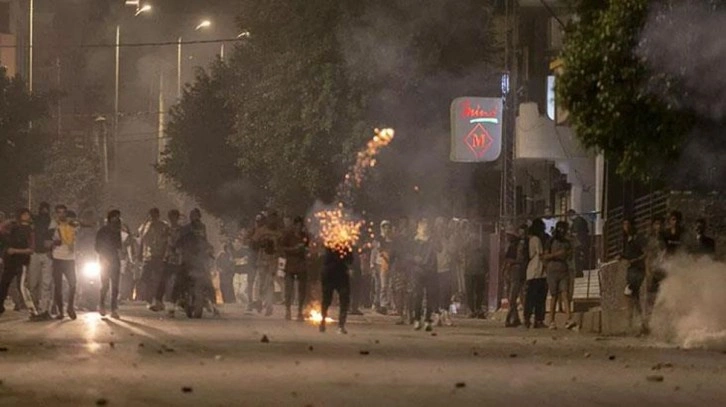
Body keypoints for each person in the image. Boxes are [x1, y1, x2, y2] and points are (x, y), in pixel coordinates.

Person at [0, 209, 34, 317]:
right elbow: (2, 230)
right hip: (10, 260)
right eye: (23, 214)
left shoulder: (31, 230)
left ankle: (32, 309)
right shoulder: (13, 228)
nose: (25, 216)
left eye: (27, 214)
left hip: (22, 261)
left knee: (22, 286)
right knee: (4, 284)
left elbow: (31, 249)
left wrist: (15, 251)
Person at [543, 221, 575, 330]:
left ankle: (569, 319)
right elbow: (545, 256)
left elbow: (569, 256)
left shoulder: (567, 242)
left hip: (563, 270)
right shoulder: (551, 241)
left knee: (565, 294)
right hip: (552, 270)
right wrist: (556, 255)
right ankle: (551, 320)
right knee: (554, 296)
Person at [250, 211, 282, 316]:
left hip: (273, 260)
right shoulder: (261, 231)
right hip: (262, 260)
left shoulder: (279, 233)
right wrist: (261, 244)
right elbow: (253, 244)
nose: (273, 221)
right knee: (262, 282)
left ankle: (269, 305)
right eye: (272, 219)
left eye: (275, 219)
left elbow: (282, 247)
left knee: (270, 282)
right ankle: (259, 301)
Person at [138, 208, 170, 311]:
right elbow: (141, 240)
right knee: (145, 278)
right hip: (147, 256)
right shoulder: (145, 226)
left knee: (161, 279)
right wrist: (139, 253)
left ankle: (159, 300)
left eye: (155, 214)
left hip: (160, 256)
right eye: (151, 214)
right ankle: (149, 299)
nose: (153, 216)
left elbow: (167, 241)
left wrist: (166, 254)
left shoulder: (164, 226)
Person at [410, 219, 439, 331]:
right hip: (418, 271)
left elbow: (439, 248)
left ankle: (427, 320)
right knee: (418, 295)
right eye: (422, 226)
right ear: (418, 228)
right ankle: (417, 319)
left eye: (426, 226)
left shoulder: (432, 240)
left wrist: (434, 239)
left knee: (430, 296)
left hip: (431, 271)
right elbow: (407, 255)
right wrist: (414, 258)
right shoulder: (414, 241)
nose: (424, 228)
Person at [27, 203, 54, 321]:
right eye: (42, 209)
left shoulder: (52, 222)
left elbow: (53, 237)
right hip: (35, 253)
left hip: (47, 254)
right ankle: (35, 309)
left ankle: (44, 310)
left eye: (46, 209)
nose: (44, 211)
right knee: (33, 283)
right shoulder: (33, 222)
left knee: (46, 284)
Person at [51, 204, 78, 320]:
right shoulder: (53, 225)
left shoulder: (73, 225)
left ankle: (70, 307)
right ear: (56, 213)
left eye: (63, 212)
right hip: (57, 257)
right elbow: (50, 238)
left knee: (73, 283)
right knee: (58, 285)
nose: (61, 214)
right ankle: (60, 311)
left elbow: (78, 234)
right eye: (59, 212)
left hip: (70, 258)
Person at [620, 218, 646, 334]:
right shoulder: (626, 240)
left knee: (630, 293)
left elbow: (646, 253)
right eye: (624, 224)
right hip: (631, 270)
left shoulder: (638, 238)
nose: (625, 227)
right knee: (633, 296)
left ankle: (633, 322)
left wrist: (635, 260)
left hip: (638, 270)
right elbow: (627, 254)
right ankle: (637, 322)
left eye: (627, 223)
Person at [95, 210, 123, 318]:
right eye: (115, 217)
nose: (117, 219)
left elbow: (119, 246)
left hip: (115, 260)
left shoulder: (117, 231)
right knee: (105, 285)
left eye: (118, 217)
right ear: (110, 218)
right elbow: (97, 247)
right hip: (104, 260)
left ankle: (113, 309)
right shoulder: (102, 231)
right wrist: (104, 258)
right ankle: (101, 304)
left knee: (115, 286)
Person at [281, 216, 309, 321]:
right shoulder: (288, 235)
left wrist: (305, 250)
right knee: (289, 289)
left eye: (301, 225)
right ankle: (288, 310)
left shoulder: (305, 236)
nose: (299, 227)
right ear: (294, 225)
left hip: (301, 264)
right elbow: (282, 248)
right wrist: (294, 249)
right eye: (297, 225)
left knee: (302, 289)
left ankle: (300, 311)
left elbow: (308, 247)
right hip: (290, 264)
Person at [319, 247, 353, 334]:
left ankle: (341, 325)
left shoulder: (346, 246)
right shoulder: (330, 245)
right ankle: (323, 321)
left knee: (343, 299)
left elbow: (350, 260)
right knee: (327, 300)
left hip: (340, 275)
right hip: (331, 274)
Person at [524, 218, 547, 329]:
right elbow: (541, 255)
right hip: (538, 271)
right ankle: (538, 320)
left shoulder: (530, 239)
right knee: (539, 298)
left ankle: (527, 319)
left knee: (530, 297)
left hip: (531, 272)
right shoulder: (536, 239)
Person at [504, 224, 528, 328]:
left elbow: (519, 259)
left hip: (517, 272)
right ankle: (516, 318)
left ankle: (510, 319)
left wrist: (511, 262)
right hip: (513, 272)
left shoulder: (519, 245)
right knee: (514, 297)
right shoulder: (513, 245)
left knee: (513, 297)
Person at [370, 220, 395, 315]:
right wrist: (372, 264)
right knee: (380, 285)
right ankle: (381, 304)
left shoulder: (392, 240)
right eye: (385, 227)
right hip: (379, 264)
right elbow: (374, 253)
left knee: (388, 285)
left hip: (390, 264)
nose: (387, 229)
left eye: (388, 227)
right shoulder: (378, 240)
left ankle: (387, 303)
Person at [463, 223, 487, 320]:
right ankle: (471, 309)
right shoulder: (466, 250)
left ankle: (477, 309)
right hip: (469, 273)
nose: (474, 243)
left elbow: (485, 262)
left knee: (479, 292)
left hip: (479, 273)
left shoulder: (482, 251)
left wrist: (486, 271)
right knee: (470, 292)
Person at [434, 218, 454, 326]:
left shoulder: (448, 239)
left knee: (446, 292)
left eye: (442, 226)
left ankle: (446, 314)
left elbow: (452, 251)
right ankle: (437, 315)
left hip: (446, 269)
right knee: (436, 293)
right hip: (435, 270)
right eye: (438, 226)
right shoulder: (432, 240)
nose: (440, 228)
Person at [163, 209, 183, 313]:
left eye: (175, 217)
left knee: (178, 281)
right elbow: (164, 242)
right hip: (169, 257)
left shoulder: (182, 229)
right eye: (171, 217)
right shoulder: (166, 229)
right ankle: (168, 301)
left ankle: (176, 301)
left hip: (180, 258)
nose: (173, 219)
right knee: (168, 280)